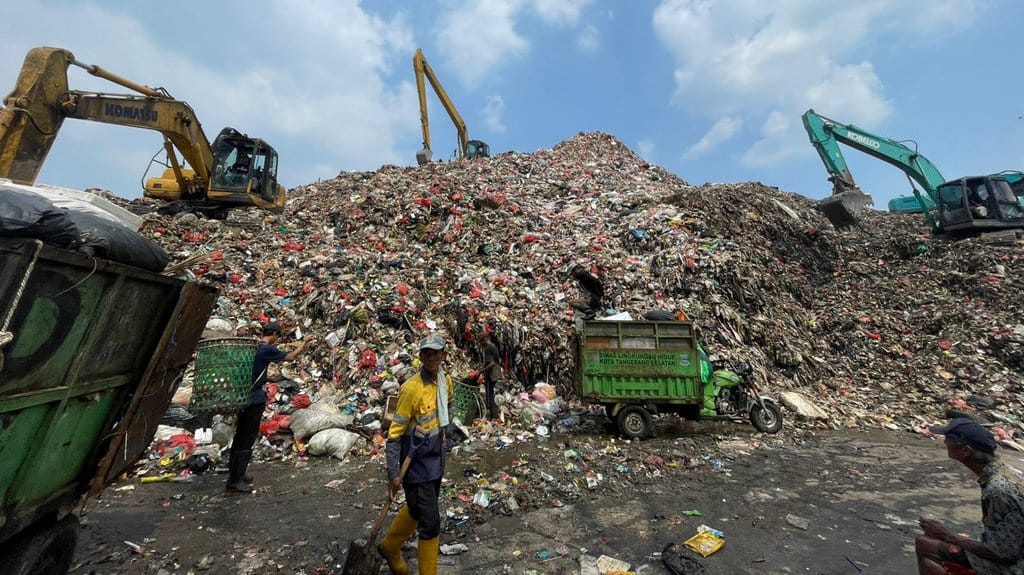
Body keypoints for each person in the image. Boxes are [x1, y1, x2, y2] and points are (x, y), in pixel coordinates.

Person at [378, 334, 454, 575]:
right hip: (415, 464)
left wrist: (445, 435)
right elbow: (394, 434)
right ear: (421, 357)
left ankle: (389, 547)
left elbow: (448, 407)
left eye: (436, 353)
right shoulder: (411, 388)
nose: (432, 358)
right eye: (427, 353)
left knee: (415, 509)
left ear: (444, 355)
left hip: (436, 459)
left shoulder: (445, 382)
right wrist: (393, 473)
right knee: (430, 524)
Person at [915, 418, 1024, 574]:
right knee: (924, 543)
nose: (945, 442)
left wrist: (947, 535)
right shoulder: (1006, 473)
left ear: (965, 450)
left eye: (949, 439)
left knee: (929, 559)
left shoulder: (997, 489)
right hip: (1011, 548)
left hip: (1015, 565)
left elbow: (1003, 554)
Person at [225, 321, 311, 494]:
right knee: (247, 437)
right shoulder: (266, 349)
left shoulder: (253, 346)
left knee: (240, 434)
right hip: (254, 398)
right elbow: (291, 357)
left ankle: (236, 472)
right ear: (274, 334)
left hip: (242, 396)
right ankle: (234, 482)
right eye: (278, 336)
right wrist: (305, 342)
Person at [478, 331, 502, 420]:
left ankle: (491, 415)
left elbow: (492, 363)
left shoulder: (488, 347)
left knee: (489, 394)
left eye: (481, 341)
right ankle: (494, 414)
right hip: (494, 373)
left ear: (484, 340)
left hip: (491, 374)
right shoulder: (493, 346)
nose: (480, 344)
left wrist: (481, 371)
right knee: (491, 393)